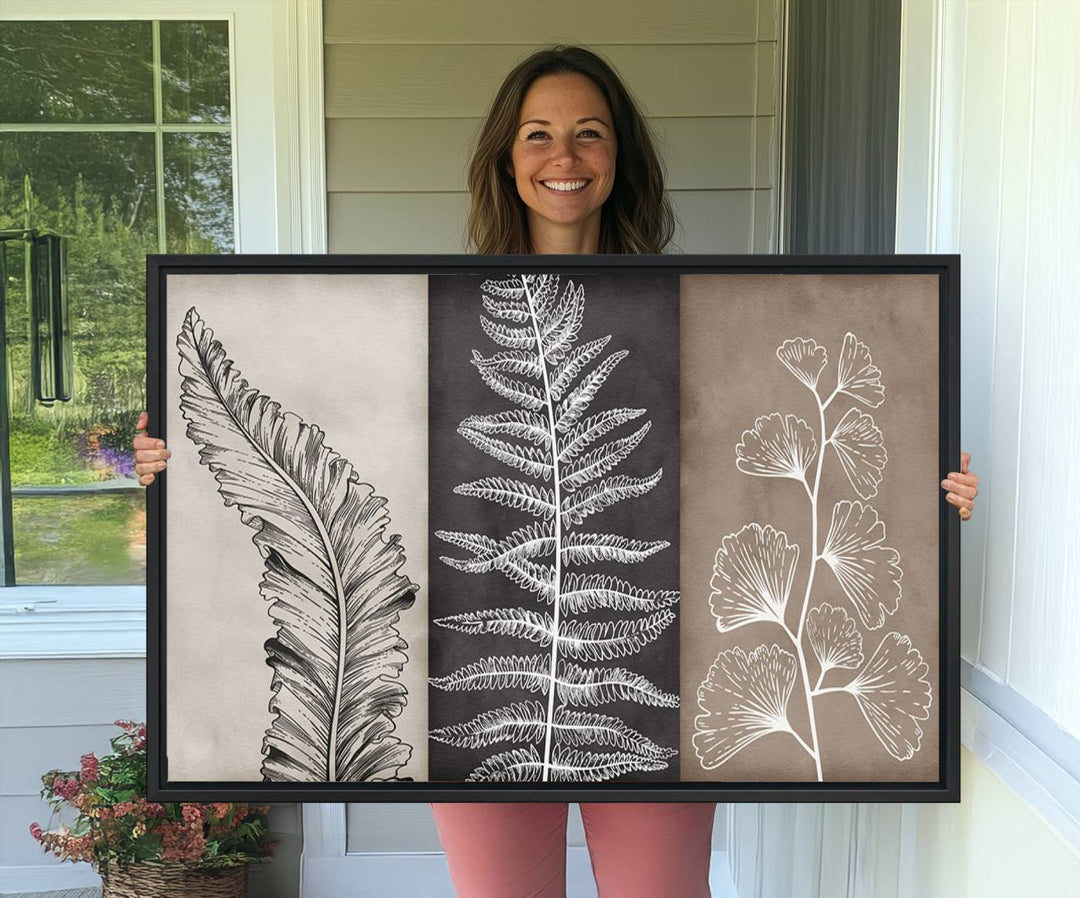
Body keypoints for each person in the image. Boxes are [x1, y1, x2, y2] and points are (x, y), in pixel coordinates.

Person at [133, 45, 979, 898]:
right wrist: (178, 464)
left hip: (648, 676)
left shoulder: (698, 315)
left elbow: (765, 460)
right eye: (538, 135)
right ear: (508, 158)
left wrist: (923, 491)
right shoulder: (433, 315)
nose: (563, 157)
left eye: (589, 134)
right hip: (480, 686)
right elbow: (339, 434)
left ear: (619, 159)